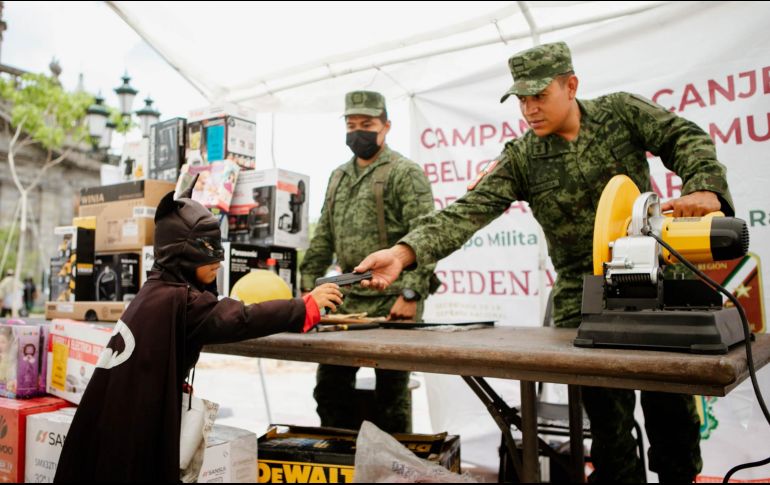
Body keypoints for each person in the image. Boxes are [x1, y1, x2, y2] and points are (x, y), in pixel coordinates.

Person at [355, 42, 733, 483]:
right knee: (610, 433)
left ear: (571, 86)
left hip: (653, 283)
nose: (529, 109)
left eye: (539, 96)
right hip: (584, 298)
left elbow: (683, 136)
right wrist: (403, 253)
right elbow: (465, 212)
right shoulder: (522, 157)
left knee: (673, 418)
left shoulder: (619, 114)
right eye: (521, 99)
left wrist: (704, 186)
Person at [54, 180, 343, 482]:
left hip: (112, 417)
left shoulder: (155, 291)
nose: (219, 260)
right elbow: (242, 318)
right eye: (209, 250)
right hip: (131, 427)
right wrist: (303, 307)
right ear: (184, 253)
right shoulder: (182, 300)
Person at [299, 90, 437, 433]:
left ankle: (396, 467)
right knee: (329, 389)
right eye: (351, 124)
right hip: (345, 300)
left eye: (367, 124)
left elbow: (427, 235)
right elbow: (324, 238)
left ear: (386, 126)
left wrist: (411, 296)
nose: (357, 131)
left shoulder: (406, 172)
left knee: (391, 398)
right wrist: (306, 286)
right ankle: (340, 460)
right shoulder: (338, 177)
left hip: (394, 301)